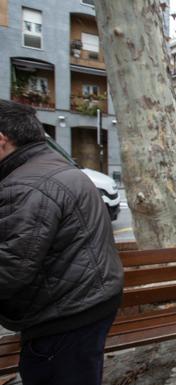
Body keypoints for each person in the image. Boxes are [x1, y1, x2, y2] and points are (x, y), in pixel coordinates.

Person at [0, 100, 124, 385]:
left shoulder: (27, 184)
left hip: (64, 314)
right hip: (89, 300)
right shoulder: (59, 167)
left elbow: (9, 269)